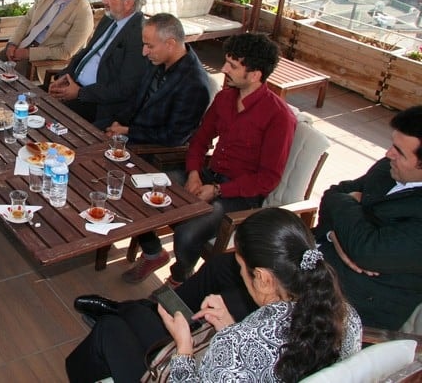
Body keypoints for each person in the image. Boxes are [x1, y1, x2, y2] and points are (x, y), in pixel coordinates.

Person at [66, 208, 362, 383]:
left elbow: (244, 358)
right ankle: (124, 310)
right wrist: (229, 329)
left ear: (264, 279)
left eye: (242, 267)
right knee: (139, 314)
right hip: (223, 357)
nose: (239, 272)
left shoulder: (239, 344)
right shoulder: (346, 317)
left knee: (108, 331)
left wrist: (183, 346)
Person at [121, 32, 296, 285]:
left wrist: (217, 190)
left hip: (240, 195)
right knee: (139, 191)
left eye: (233, 66)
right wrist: (193, 173)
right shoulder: (225, 98)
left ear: (255, 75)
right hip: (208, 176)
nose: (224, 69)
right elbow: (200, 140)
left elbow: (267, 179)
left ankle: (180, 279)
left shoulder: (279, 117)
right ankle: (153, 252)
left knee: (187, 231)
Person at [315, 104, 422, 330]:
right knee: (229, 269)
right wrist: (336, 236)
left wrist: (349, 201)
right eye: (393, 144)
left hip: (346, 310)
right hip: (317, 267)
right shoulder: (389, 168)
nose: (388, 153)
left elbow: (366, 252)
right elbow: (332, 193)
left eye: (399, 152)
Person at [48, 0, 148, 128]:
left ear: (128, 3)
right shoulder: (109, 18)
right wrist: (64, 76)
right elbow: (87, 52)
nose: (104, 0)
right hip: (75, 88)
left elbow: (124, 88)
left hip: (97, 105)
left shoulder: (140, 36)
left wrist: (80, 93)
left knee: (44, 119)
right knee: (28, 100)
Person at [104, 13, 214, 146]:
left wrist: (127, 131)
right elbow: (137, 100)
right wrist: (117, 123)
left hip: (149, 148)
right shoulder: (159, 59)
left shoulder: (194, 85)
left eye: (150, 46)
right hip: (127, 130)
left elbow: (173, 137)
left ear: (170, 44)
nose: (144, 52)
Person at [0, 0, 93, 83]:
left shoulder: (83, 13)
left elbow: (66, 52)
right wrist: (12, 43)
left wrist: (28, 54)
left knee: (4, 82)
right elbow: (27, 20)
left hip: (40, 61)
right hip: (22, 45)